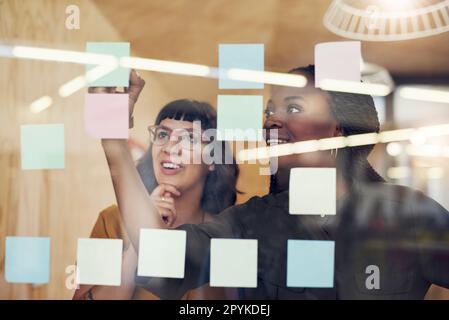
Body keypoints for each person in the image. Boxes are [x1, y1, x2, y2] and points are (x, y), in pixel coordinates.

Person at [100, 66, 449, 299]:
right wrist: (113, 141)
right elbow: (162, 261)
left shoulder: (408, 215)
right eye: (269, 111)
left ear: (338, 128)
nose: (272, 122)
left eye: (293, 109)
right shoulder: (251, 223)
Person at [73, 74, 239, 299]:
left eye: (189, 139)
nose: (170, 147)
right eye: (163, 134)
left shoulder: (224, 237)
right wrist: (136, 246)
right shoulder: (111, 220)